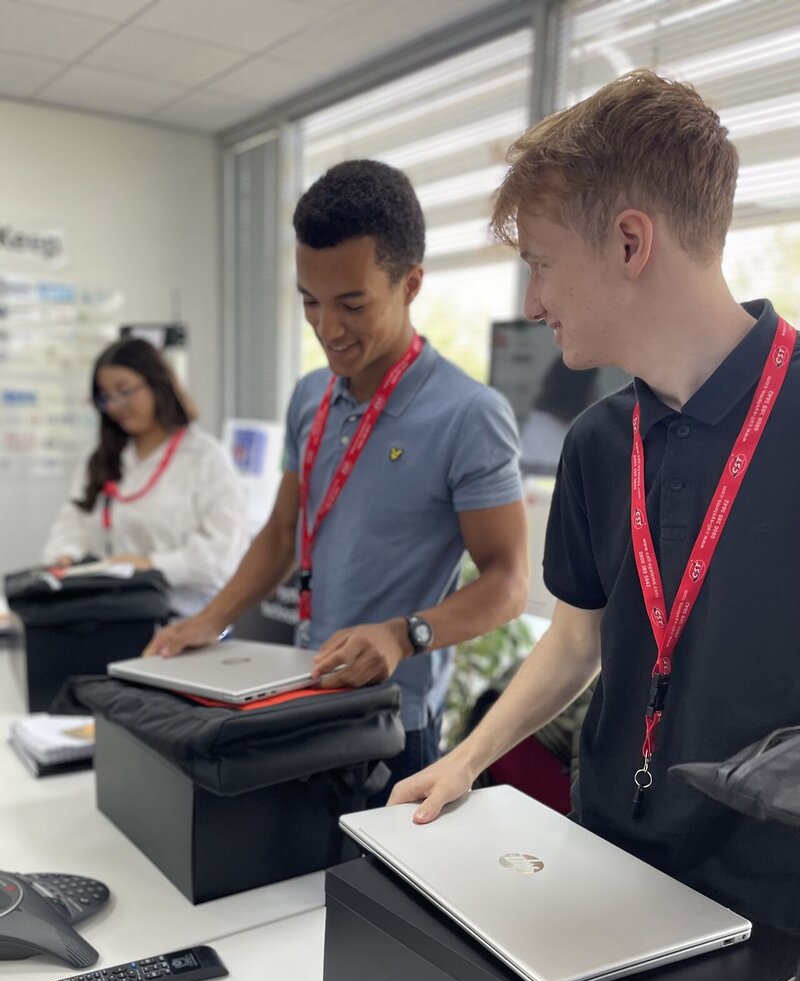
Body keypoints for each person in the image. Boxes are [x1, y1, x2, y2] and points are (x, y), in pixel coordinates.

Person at [390, 69, 800, 935]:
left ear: (627, 243)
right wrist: (466, 759)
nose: (533, 302)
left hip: (771, 902)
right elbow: (576, 639)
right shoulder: (599, 442)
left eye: (541, 264)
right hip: (605, 849)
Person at [145, 159, 529, 787]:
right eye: (309, 302)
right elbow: (279, 536)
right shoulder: (310, 397)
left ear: (410, 284)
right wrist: (207, 620)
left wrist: (404, 636)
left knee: (361, 887)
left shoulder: (471, 415)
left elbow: (509, 583)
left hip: (390, 722)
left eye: (352, 303)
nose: (328, 329)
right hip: (296, 693)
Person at [44, 337, 249, 617]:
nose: (116, 405)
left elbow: (224, 558)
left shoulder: (205, 458)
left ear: (157, 383)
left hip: (184, 622)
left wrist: (150, 564)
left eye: (124, 391)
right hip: (109, 617)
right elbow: (71, 525)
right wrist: (65, 556)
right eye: (105, 396)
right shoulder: (101, 459)